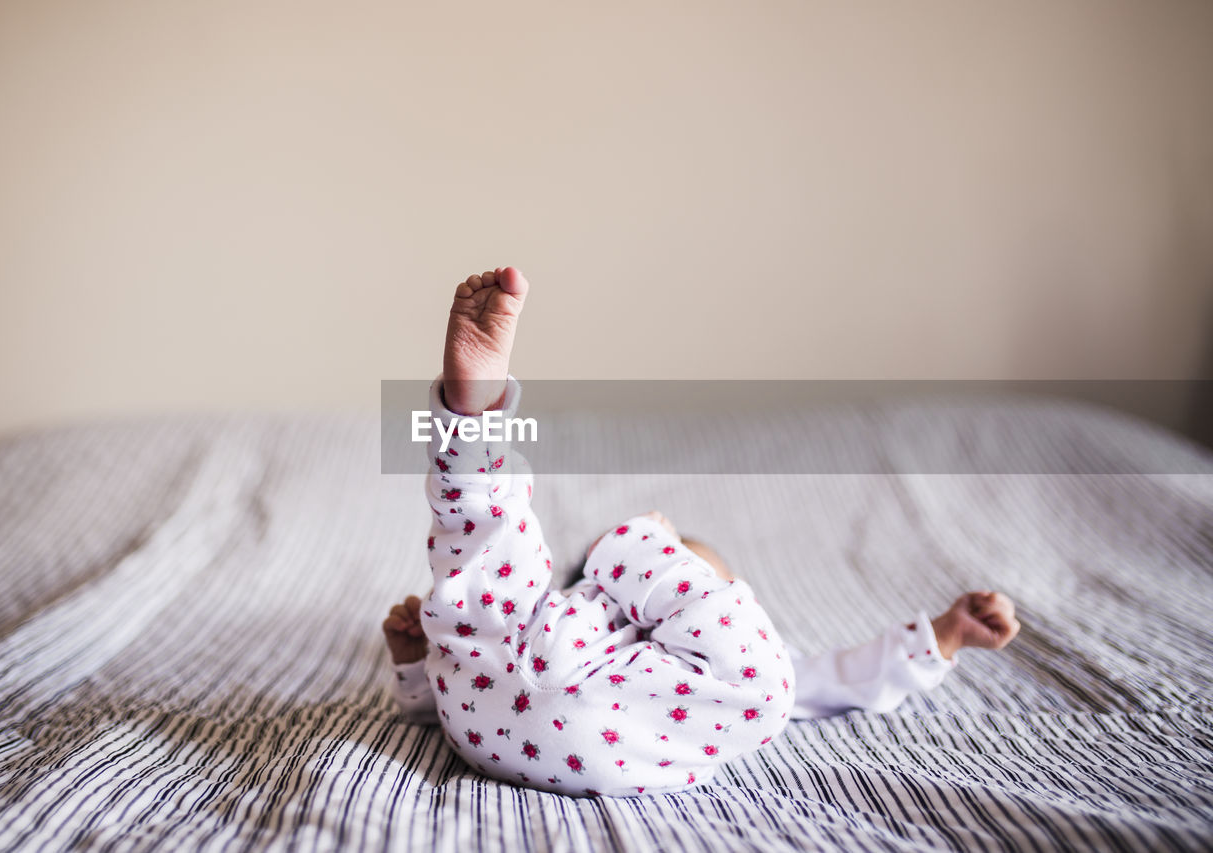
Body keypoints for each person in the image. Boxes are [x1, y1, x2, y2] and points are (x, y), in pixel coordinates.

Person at [384, 267, 1020, 797]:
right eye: (687, 565)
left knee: (475, 573)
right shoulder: (576, 606)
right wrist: (423, 674)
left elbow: (843, 678)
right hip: (499, 702)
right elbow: (445, 687)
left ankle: (473, 423)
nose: (693, 579)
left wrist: (943, 636)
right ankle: (472, 421)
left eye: (695, 571)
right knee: (489, 556)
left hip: (515, 732)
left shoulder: (698, 683)